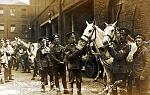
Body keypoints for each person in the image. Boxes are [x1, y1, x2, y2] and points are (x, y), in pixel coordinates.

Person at [107, 28, 131, 95]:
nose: (121, 36)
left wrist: (111, 48)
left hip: (122, 71)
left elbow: (118, 56)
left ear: (126, 36)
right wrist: (109, 47)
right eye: (120, 34)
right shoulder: (118, 44)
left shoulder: (127, 46)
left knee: (121, 89)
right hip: (114, 69)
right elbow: (112, 54)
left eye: (123, 35)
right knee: (113, 88)